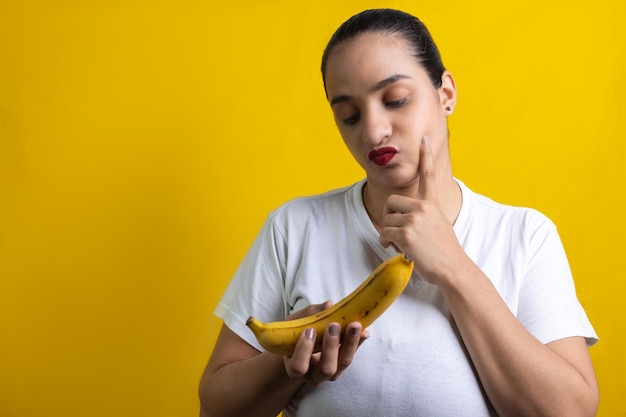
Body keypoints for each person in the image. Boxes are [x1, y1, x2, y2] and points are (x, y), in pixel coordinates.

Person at [198, 8, 599, 417]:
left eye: (396, 100)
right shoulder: (295, 228)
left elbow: (571, 411)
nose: (373, 131)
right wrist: (288, 368)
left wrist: (454, 267)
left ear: (446, 94)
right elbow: (214, 407)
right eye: (348, 116)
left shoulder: (525, 236)